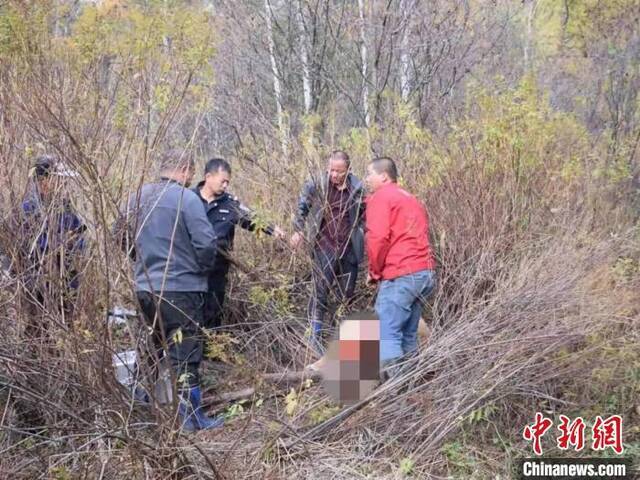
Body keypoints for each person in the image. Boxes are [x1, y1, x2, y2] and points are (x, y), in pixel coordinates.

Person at [115, 148, 223, 431]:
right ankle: (191, 419)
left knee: (152, 350)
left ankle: (141, 409)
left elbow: (119, 234)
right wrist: (199, 270)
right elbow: (207, 244)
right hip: (181, 290)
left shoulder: (137, 197)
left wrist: (140, 261)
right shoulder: (187, 199)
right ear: (186, 170)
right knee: (186, 353)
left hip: (145, 289)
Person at [364, 157, 436, 377]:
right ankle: (411, 389)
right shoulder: (410, 198)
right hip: (424, 274)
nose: (367, 179)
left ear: (384, 176)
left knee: (385, 334)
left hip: (402, 274)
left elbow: (377, 239)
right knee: (407, 335)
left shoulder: (381, 197)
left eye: (369, 174)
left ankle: (395, 399)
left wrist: (374, 272)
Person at [192, 158, 285, 329]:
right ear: (208, 177)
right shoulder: (188, 199)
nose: (225, 185)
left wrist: (273, 230)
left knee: (213, 314)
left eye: (228, 182)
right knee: (190, 314)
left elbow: (252, 219)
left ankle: (210, 352)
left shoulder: (230, 203)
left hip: (217, 272)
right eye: (223, 181)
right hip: (190, 270)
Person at [290, 150, 366, 354]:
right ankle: (314, 336)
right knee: (320, 291)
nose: (334, 174)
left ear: (348, 170)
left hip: (349, 248)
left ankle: (339, 339)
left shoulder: (357, 188)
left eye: (338, 171)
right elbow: (302, 207)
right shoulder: (317, 184)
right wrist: (297, 230)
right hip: (324, 245)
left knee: (346, 294)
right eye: (331, 169)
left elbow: (365, 217)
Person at [15, 155, 86, 331]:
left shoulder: (65, 206)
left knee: (65, 330)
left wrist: (74, 243)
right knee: (40, 331)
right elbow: (31, 247)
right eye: (59, 179)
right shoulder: (29, 208)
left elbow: (80, 238)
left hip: (67, 284)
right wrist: (61, 243)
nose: (63, 183)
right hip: (40, 284)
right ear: (44, 180)